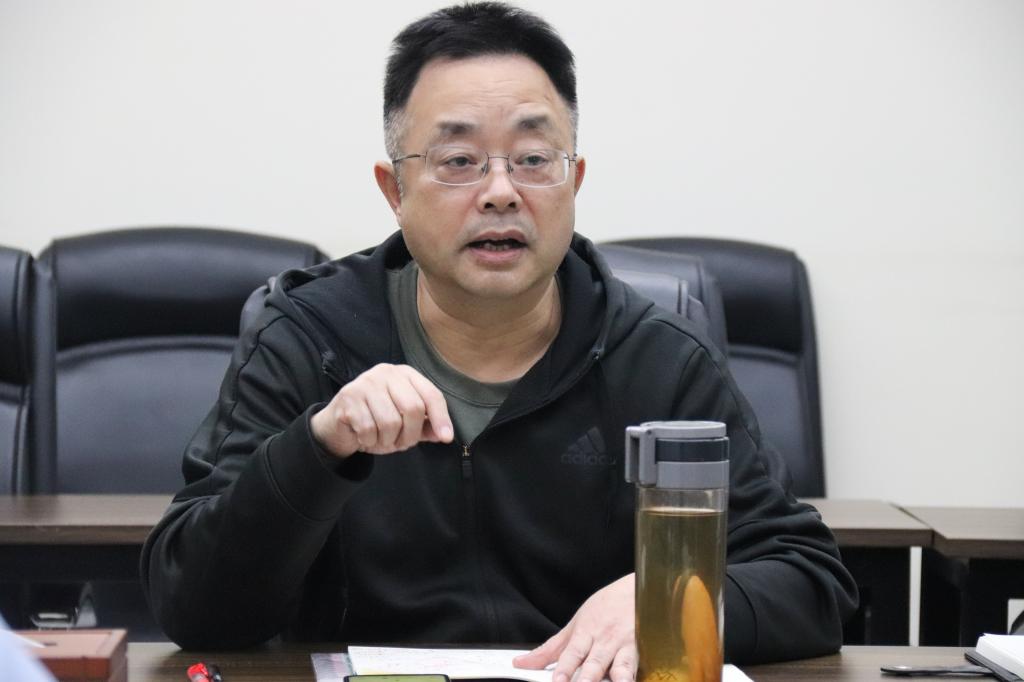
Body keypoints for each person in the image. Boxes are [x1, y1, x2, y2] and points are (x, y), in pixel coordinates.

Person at [141, 2, 857, 678]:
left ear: (574, 182)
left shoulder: (660, 359)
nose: (501, 192)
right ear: (394, 191)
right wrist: (319, 446)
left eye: (534, 159)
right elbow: (193, 604)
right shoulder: (307, 339)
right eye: (459, 161)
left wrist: (666, 607)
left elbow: (811, 579)